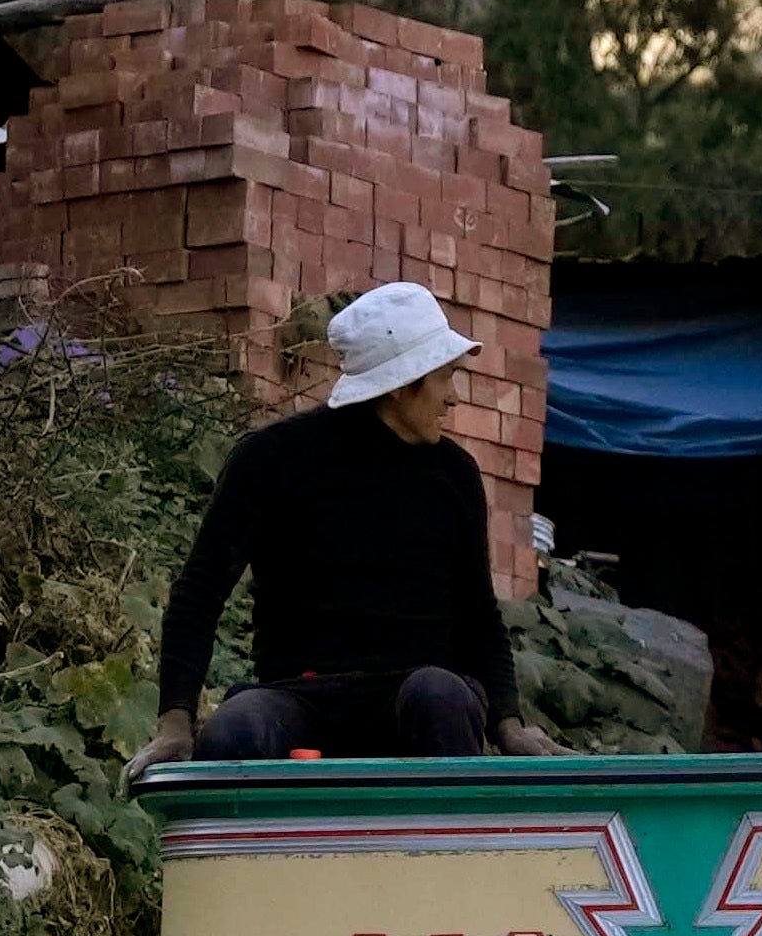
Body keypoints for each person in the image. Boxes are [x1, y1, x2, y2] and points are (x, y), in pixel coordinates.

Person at [152, 281, 515, 764]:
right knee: (235, 730)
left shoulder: (455, 475)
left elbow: (479, 616)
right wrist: (175, 722)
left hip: (417, 693)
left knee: (440, 697)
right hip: (298, 696)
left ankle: (442, 840)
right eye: (446, 377)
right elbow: (200, 591)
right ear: (404, 384)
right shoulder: (271, 459)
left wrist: (511, 726)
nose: (453, 398)